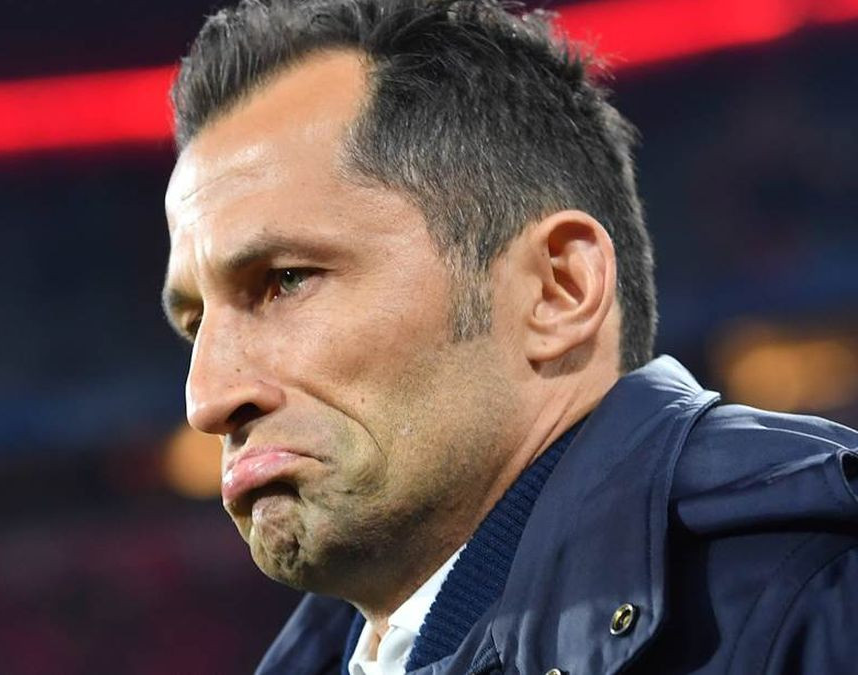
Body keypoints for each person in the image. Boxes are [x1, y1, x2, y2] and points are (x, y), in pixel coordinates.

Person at [158, 1, 858, 673]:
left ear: (557, 289)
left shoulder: (823, 601)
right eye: (195, 324)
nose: (207, 400)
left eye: (284, 281)